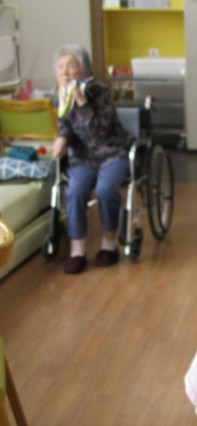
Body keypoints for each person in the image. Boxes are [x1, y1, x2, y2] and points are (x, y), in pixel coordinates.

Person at [51, 44, 132, 275]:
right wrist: (62, 138)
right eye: (60, 67)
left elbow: (100, 132)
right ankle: (77, 251)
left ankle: (109, 245)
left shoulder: (101, 92)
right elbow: (65, 125)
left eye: (71, 66)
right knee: (75, 191)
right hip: (82, 157)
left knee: (105, 190)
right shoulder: (60, 94)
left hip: (112, 152)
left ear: (83, 69)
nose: (65, 72)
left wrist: (81, 101)